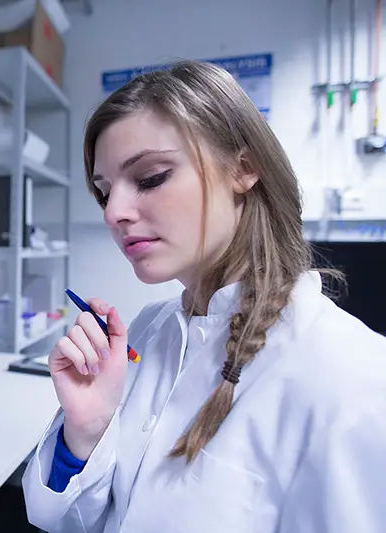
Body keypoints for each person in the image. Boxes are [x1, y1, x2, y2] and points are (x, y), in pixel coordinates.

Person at [21, 60, 386, 533]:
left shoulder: (353, 378)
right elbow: (65, 521)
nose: (114, 213)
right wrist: (86, 430)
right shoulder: (150, 330)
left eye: (150, 177)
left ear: (244, 168)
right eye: (103, 192)